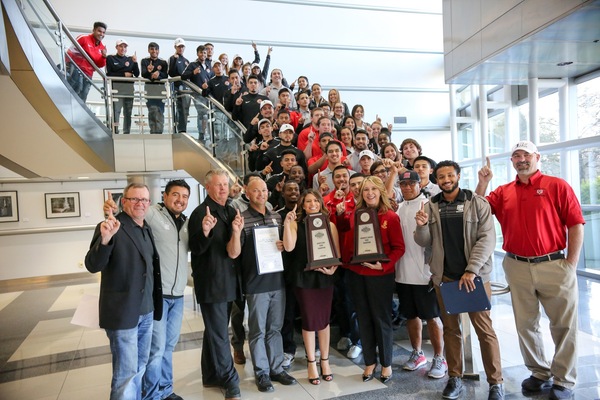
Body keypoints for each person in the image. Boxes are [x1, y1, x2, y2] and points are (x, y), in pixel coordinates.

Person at [476, 141, 584, 399]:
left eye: (526, 154)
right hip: (517, 265)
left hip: (554, 264)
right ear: (512, 161)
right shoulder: (503, 191)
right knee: (526, 324)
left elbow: (576, 224)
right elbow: (477, 211)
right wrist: (483, 182)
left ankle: (564, 380)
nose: (521, 159)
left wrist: (571, 263)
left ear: (537, 157)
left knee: (564, 325)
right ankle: (539, 372)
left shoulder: (557, 186)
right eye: (516, 155)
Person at [415, 160, 504, 400]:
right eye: (441, 177)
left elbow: (487, 238)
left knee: (484, 330)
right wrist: (421, 226)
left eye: (450, 175)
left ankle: (496, 383)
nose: (446, 180)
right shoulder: (431, 205)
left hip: (474, 278)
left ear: (458, 176)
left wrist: (471, 270)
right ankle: (454, 378)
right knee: (451, 331)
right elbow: (424, 241)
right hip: (445, 278)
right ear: (436, 179)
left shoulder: (477, 203)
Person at [103, 181, 191, 400]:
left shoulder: (171, 225)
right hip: (140, 304)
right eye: (175, 195)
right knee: (139, 363)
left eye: (185, 196)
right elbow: (93, 263)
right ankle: (148, 395)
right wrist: (107, 225)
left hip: (163, 302)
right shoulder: (134, 220)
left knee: (155, 356)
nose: (140, 204)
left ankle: (158, 392)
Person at [85, 183, 162, 400]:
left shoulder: (145, 227)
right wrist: (106, 239)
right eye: (135, 199)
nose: (140, 204)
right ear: (124, 201)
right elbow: (93, 265)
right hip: (123, 313)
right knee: (126, 374)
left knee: (139, 368)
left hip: (146, 311)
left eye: (144, 200)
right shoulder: (112, 226)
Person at [231, 178, 298, 392]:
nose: (261, 194)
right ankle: (262, 372)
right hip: (255, 283)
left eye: (264, 190)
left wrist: (281, 242)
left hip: (277, 281)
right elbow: (235, 253)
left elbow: (286, 246)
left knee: (275, 329)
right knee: (258, 330)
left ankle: (277, 368)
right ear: (247, 194)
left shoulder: (276, 217)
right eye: (256, 191)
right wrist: (236, 232)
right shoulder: (242, 219)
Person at [337, 176, 405, 384]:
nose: (369, 193)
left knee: (381, 319)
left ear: (381, 191)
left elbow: (399, 248)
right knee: (363, 318)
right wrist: (340, 215)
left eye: (373, 189)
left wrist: (383, 265)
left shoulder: (390, 217)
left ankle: (386, 363)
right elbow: (344, 231)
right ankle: (369, 362)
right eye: (365, 189)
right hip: (357, 274)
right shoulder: (355, 215)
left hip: (380, 276)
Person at [188, 170, 243, 400]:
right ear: (207, 187)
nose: (222, 188)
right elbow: (195, 248)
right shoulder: (200, 213)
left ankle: (210, 374)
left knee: (214, 330)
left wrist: (237, 231)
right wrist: (204, 231)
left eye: (225, 184)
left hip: (230, 280)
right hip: (212, 283)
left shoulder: (230, 211)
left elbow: (233, 251)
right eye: (218, 185)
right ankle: (230, 381)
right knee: (220, 333)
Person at [282, 189, 339, 386]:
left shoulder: (329, 225)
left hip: (324, 278)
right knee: (309, 320)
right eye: (308, 201)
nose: (312, 204)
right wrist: (287, 224)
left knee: (324, 320)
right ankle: (311, 362)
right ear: (303, 206)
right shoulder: (296, 225)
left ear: (320, 203)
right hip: (304, 278)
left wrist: (332, 270)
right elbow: (288, 247)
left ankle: (325, 360)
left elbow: (336, 253)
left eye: (315, 200)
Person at [395, 170, 447, 379]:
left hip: (425, 272)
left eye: (411, 183)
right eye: (403, 184)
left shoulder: (430, 205)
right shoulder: (398, 208)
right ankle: (417, 354)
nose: (407, 187)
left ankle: (439, 357)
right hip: (402, 272)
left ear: (419, 184)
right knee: (411, 315)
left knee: (433, 317)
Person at [276, 180, 301, 369]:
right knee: (288, 314)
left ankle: (314, 347)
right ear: (282, 193)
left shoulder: (306, 214)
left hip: (306, 271)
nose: (293, 192)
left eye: (296, 189)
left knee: (309, 312)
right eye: (289, 190)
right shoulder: (277, 217)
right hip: (286, 273)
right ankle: (288, 349)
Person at [66, 22, 107, 101]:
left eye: (103, 32)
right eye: (99, 31)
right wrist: (67, 65)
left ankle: (78, 112)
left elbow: (99, 65)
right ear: (93, 30)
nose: (101, 34)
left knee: (83, 95)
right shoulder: (83, 38)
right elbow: (69, 51)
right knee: (76, 89)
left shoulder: (102, 47)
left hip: (88, 74)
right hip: (76, 69)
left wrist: (104, 57)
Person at [106, 39, 139, 134]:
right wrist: (124, 74)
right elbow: (110, 74)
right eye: (121, 46)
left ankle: (126, 132)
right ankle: (115, 131)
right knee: (116, 111)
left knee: (128, 113)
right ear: (116, 47)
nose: (123, 48)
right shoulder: (110, 58)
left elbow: (136, 74)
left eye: (125, 47)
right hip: (116, 90)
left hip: (129, 90)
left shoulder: (130, 59)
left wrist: (135, 62)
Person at [141, 42, 168, 134]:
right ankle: (153, 132)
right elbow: (143, 74)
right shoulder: (144, 61)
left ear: (159, 50)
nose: (154, 51)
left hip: (161, 91)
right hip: (149, 91)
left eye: (156, 49)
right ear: (149, 50)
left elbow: (166, 75)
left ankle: (159, 132)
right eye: (152, 49)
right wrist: (151, 74)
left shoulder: (163, 62)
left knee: (160, 112)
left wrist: (158, 75)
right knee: (152, 111)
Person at [168, 38, 191, 133]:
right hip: (177, 88)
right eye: (179, 47)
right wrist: (174, 61)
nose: (181, 48)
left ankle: (184, 129)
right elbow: (171, 73)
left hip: (186, 88)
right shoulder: (172, 58)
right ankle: (180, 129)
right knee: (179, 109)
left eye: (182, 47)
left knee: (185, 109)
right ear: (175, 47)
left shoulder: (186, 61)